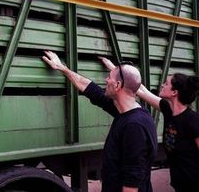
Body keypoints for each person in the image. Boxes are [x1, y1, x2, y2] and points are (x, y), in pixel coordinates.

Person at [42, 51, 157, 192]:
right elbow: (92, 90)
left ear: (117, 85)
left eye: (109, 77)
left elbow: (132, 181)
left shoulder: (134, 126)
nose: (106, 80)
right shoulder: (127, 113)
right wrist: (62, 68)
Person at [101, 57, 199, 192]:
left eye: (166, 84)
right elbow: (140, 90)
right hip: (181, 187)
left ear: (174, 92)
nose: (162, 85)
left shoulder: (193, 121)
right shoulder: (168, 109)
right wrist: (115, 70)